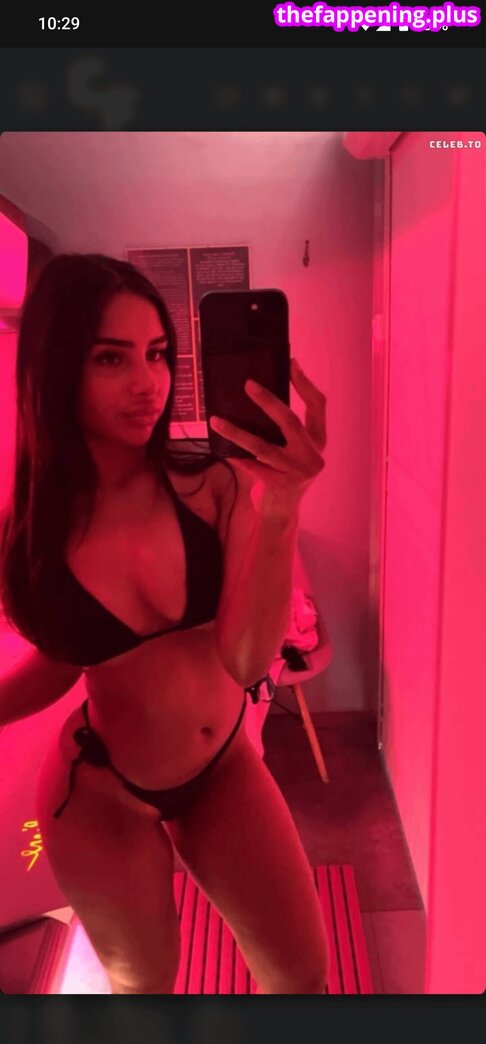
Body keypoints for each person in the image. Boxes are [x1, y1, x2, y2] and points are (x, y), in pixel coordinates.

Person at [0, 253, 329, 995]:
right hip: (99, 791)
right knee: (143, 988)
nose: (148, 382)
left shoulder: (212, 485)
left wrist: (280, 510)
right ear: (55, 369)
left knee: (302, 978)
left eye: (156, 354)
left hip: (223, 769)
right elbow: (63, 662)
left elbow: (247, 661)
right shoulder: (31, 536)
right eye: (111, 358)